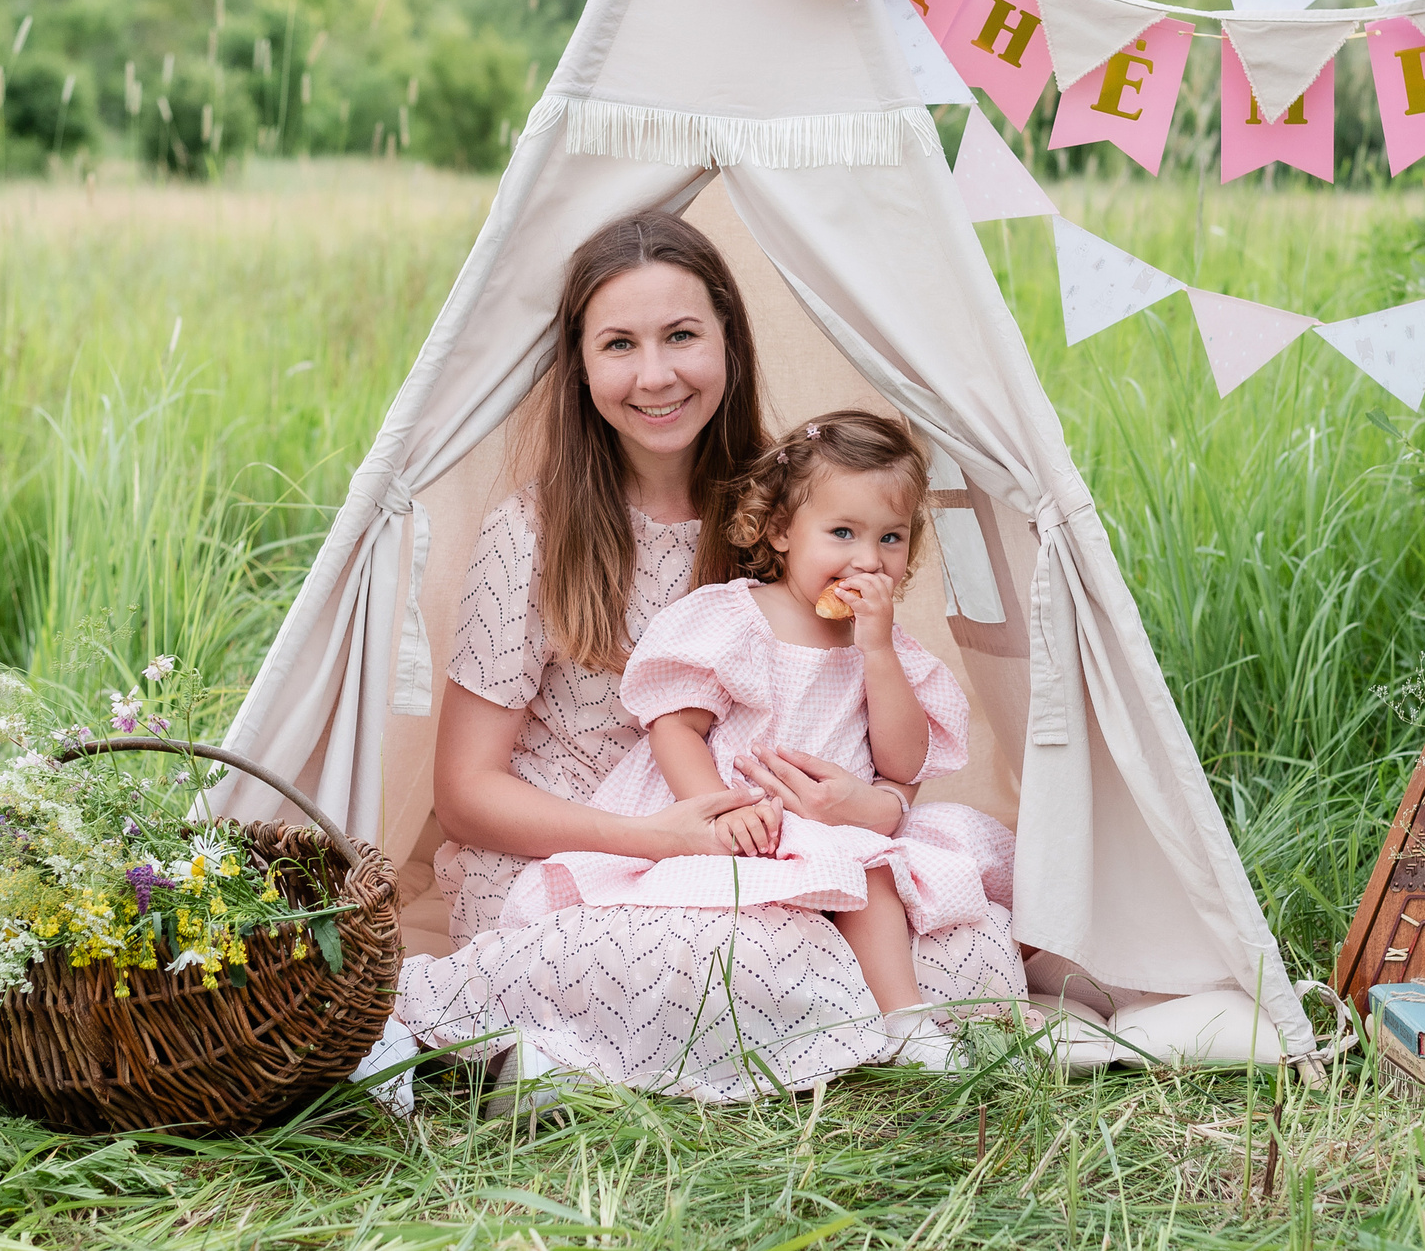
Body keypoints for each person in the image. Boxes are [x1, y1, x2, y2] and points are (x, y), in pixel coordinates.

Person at [392, 209, 1020, 1104]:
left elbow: (847, 706)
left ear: (729, 337)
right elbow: (466, 792)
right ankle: (552, 1038)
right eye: (619, 344)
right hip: (576, 853)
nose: (656, 375)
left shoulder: (794, 514)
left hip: (765, 850)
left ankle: (600, 1045)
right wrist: (656, 837)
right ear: (580, 364)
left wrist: (869, 803)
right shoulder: (532, 533)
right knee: (720, 955)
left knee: (955, 934)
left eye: (682, 334)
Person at [501, 412, 999, 1069]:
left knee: (873, 871)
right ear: (782, 530)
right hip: (737, 821)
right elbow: (675, 726)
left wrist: (877, 650)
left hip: (833, 829)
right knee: (721, 931)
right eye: (842, 532)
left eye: (891, 537)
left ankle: (904, 1022)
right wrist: (718, 810)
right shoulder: (739, 617)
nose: (868, 558)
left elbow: (902, 762)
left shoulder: (886, 648)